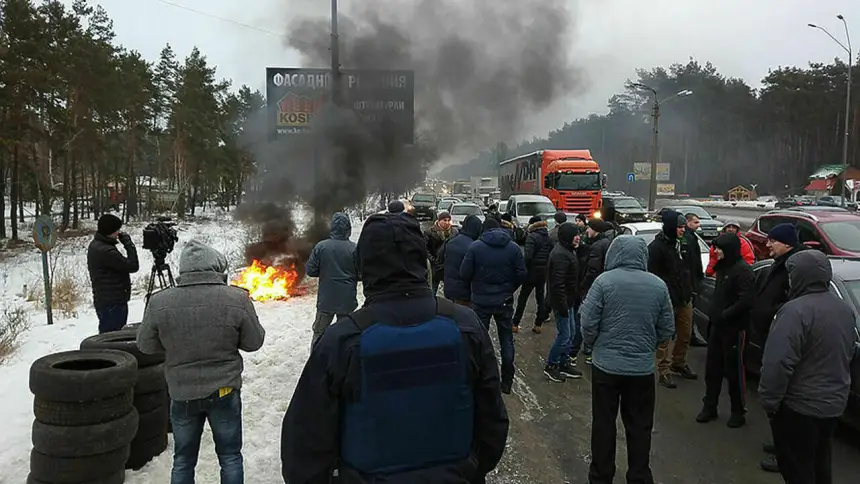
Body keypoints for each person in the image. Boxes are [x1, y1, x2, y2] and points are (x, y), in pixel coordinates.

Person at [280, 213, 509, 483]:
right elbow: (492, 422)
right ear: (421, 261)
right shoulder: (466, 327)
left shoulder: (342, 341)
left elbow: (304, 448)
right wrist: (469, 470)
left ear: (363, 266)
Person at [137, 240, 265, 484]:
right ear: (216, 267)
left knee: (183, 460)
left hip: (182, 392)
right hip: (224, 391)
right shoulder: (237, 298)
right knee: (230, 457)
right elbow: (254, 342)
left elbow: (145, 345)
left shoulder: (159, 302)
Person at [580, 235, 675, 484]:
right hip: (642, 369)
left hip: (606, 368)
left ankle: (601, 476)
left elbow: (587, 323)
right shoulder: (658, 285)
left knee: (603, 423)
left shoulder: (603, 282)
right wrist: (648, 347)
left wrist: (594, 345)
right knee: (640, 426)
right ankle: (639, 476)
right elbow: (667, 328)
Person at [759, 250, 856, 484]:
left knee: (797, 469)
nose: (789, 280)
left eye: (791, 273)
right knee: (820, 464)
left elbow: (778, 363)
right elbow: (847, 352)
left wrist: (770, 402)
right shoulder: (844, 310)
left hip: (799, 406)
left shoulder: (794, 311)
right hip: (833, 405)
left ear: (802, 275)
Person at [749, 223, 805, 473]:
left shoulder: (794, 269)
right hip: (770, 337)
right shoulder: (781, 264)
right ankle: (781, 444)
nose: (767, 244)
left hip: (782, 340)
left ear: (787, 243)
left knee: (785, 400)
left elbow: (791, 305)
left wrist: (771, 315)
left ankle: (787, 456)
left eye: (773, 241)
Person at [461, 217, 527, 394]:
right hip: (504, 301)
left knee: (480, 339)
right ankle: (507, 381)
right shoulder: (512, 247)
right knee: (506, 339)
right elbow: (522, 273)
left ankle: (482, 378)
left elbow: (464, 272)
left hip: (481, 301)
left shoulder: (475, 247)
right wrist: (509, 289)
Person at [695, 233, 755, 428]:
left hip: (735, 330)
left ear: (728, 249)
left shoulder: (742, 271)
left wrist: (725, 314)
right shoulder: (722, 268)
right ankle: (709, 406)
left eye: (719, 248)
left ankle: (738, 411)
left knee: (734, 371)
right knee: (712, 369)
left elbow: (746, 301)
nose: (716, 251)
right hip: (717, 328)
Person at [648, 210, 698, 388]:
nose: (682, 230)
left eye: (684, 227)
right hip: (667, 299)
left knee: (685, 334)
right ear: (670, 227)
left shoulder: (684, 244)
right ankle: (664, 370)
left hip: (684, 297)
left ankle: (679, 362)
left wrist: (692, 288)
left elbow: (691, 268)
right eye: (679, 227)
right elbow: (652, 275)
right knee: (665, 338)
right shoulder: (656, 247)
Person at [305, 212, 359, 350]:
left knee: (319, 333)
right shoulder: (355, 249)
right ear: (348, 229)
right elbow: (361, 274)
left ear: (332, 228)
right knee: (346, 333)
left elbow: (311, 270)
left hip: (326, 300)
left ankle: (316, 363)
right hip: (347, 301)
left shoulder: (321, 247)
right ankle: (344, 363)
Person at [87, 213, 140, 333]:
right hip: (113, 301)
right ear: (111, 231)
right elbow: (132, 266)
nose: (118, 233)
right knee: (112, 337)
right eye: (117, 230)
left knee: (107, 334)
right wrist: (129, 245)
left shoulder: (96, 245)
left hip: (105, 299)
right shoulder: (107, 251)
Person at [543, 222, 582, 381]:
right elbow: (557, 284)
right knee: (564, 335)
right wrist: (563, 305)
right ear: (567, 236)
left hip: (569, 301)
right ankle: (551, 365)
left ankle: (564, 362)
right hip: (562, 302)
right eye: (575, 235)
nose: (578, 237)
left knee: (571, 333)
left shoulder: (568, 251)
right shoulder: (560, 255)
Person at [513, 215, 552, 334]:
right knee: (540, 298)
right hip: (543, 273)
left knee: (522, 299)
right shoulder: (549, 238)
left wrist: (523, 269)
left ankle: (515, 323)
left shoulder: (532, 237)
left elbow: (528, 257)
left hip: (530, 273)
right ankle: (538, 324)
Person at [441, 214, 483, 306]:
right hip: (464, 293)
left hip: (449, 289)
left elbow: (440, 260)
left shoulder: (450, 241)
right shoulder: (473, 247)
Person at [426, 211, 456, 295]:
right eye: (444, 220)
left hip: (448, 265)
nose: (447, 223)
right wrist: (433, 260)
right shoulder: (430, 232)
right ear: (439, 221)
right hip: (435, 266)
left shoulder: (454, 232)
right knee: (433, 288)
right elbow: (425, 248)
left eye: (448, 220)